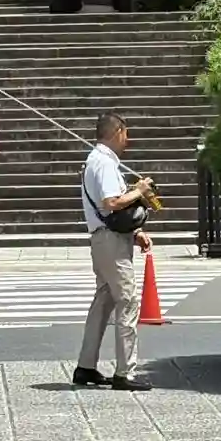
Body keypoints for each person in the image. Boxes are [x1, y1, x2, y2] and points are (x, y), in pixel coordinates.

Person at [75, 111, 154, 391]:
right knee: (128, 300)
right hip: (111, 242)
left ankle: (86, 366)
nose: (127, 140)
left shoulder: (95, 160)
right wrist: (140, 190)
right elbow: (111, 203)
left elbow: (107, 208)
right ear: (118, 131)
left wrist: (135, 232)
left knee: (103, 301)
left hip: (103, 238)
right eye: (126, 134)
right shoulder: (105, 163)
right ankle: (125, 372)